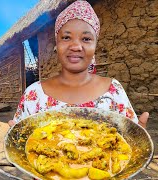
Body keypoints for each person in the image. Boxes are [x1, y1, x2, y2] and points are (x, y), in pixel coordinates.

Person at [8, 0, 148, 128]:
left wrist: (137, 140)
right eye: (66, 37)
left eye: (86, 39)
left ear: (95, 46)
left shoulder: (113, 91)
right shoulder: (34, 95)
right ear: (57, 43)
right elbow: (21, 144)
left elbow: (129, 142)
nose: (76, 46)